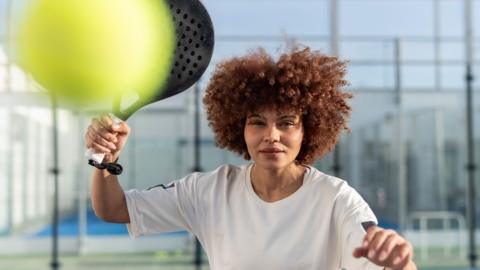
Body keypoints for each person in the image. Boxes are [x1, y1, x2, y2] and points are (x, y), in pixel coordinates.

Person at [85, 46, 417, 270]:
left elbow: (384, 258)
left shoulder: (337, 199)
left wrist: (401, 262)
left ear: (309, 130)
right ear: (239, 128)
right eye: (257, 122)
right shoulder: (209, 190)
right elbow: (113, 209)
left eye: (286, 123)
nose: (271, 135)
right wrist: (105, 160)